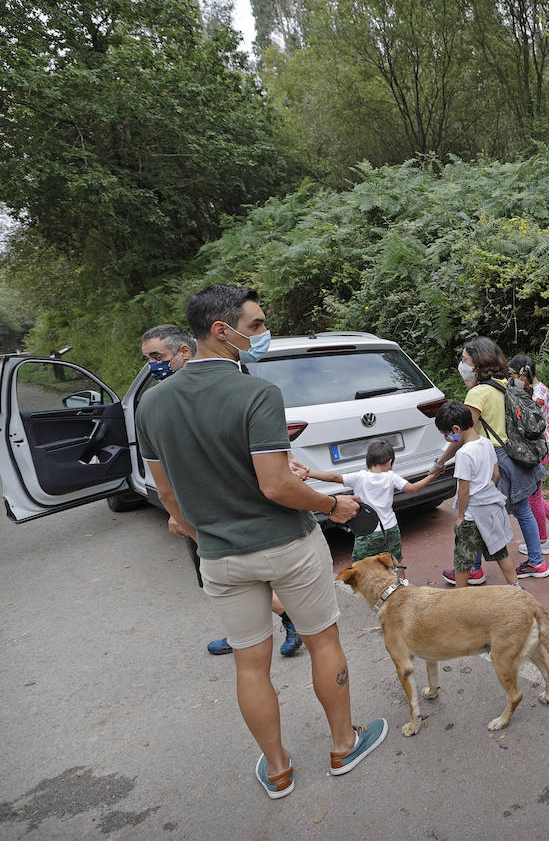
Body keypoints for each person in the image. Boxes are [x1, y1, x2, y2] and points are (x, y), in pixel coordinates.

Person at [135, 285, 387, 799]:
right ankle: (343, 745)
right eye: (255, 327)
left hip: (221, 557)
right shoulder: (257, 393)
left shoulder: (153, 404)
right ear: (221, 331)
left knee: (250, 661)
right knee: (323, 641)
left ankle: (277, 769)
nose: (262, 335)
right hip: (287, 545)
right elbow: (277, 485)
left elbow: (166, 493)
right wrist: (332, 505)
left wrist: (197, 528)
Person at [140, 323, 301, 657]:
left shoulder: (228, 386)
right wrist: (176, 512)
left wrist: (177, 513)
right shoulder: (158, 403)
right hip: (199, 509)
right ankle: (242, 628)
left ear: (185, 352)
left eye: (157, 357)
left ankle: (283, 619)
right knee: (221, 578)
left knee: (241, 571)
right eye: (147, 359)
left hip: (238, 508)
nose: (152, 366)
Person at [431, 337, 548, 583]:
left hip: (489, 455)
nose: (462, 364)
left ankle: (473, 568)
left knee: (476, 508)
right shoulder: (506, 383)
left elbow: (461, 434)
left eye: (464, 359)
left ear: (477, 363)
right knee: (522, 509)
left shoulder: (477, 393)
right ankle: (537, 561)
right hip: (513, 454)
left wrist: (440, 461)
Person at [297, 440, 440, 565]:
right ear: (390, 462)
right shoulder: (391, 477)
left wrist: (309, 474)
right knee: (395, 561)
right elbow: (413, 488)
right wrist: (432, 476)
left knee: (361, 565)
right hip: (390, 528)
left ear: (367, 462)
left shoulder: (359, 477)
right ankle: (401, 585)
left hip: (367, 530)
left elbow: (333, 477)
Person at [434, 401, 520, 588]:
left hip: (472, 515)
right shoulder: (486, 443)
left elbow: (463, 489)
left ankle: (460, 595)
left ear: (456, 429)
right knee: (500, 552)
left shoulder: (464, 453)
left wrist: (460, 516)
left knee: (463, 559)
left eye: (447, 435)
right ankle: (516, 587)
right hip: (491, 510)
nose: (448, 439)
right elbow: (495, 474)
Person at [508, 354, 549, 557]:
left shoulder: (538, 394)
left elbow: (523, 416)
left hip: (538, 450)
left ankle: (542, 540)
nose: (511, 380)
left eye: (512, 375)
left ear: (523, 374)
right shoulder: (536, 389)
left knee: (532, 495)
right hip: (539, 449)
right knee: (533, 493)